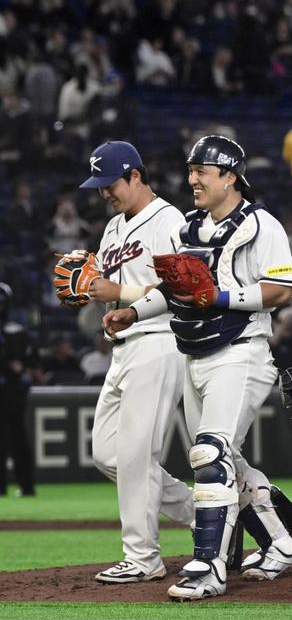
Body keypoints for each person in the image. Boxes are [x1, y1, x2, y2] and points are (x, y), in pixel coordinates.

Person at [103, 135, 292, 601]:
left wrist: (220, 297)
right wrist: (133, 312)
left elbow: (282, 288)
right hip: (197, 353)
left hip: (242, 352)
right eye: (191, 170)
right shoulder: (189, 227)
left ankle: (208, 566)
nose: (192, 179)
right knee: (226, 460)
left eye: (203, 172)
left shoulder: (261, 224)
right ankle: (282, 540)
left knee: (209, 454)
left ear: (230, 177)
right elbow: (172, 290)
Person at [75, 141, 194, 582]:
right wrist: (101, 305)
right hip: (124, 349)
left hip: (161, 342)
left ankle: (143, 557)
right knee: (108, 453)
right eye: (99, 185)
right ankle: (207, 516)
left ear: (136, 175)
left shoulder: (170, 221)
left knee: (136, 456)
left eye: (111, 183)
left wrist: (119, 296)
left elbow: (183, 290)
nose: (105, 192)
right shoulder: (111, 229)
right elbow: (109, 290)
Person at [0, 281, 37, 498]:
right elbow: (29, 362)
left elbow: (27, 363)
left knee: (12, 439)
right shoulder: (18, 330)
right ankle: (26, 486)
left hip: (11, 389)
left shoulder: (14, 331)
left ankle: (16, 486)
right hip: (15, 389)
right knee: (17, 438)